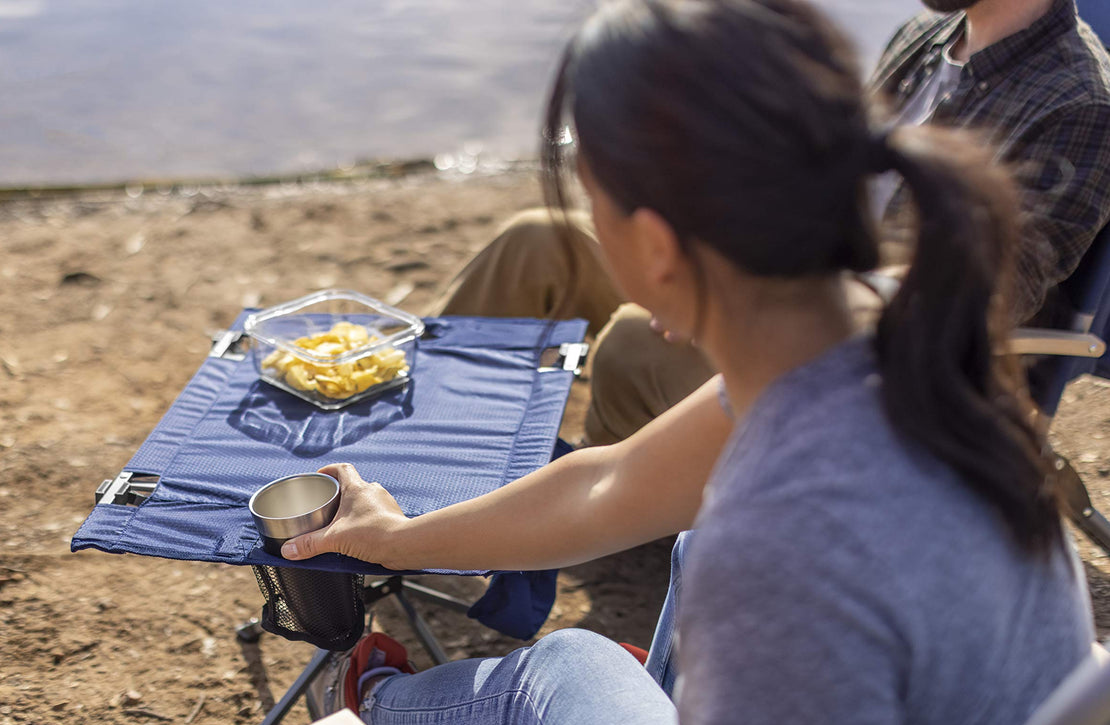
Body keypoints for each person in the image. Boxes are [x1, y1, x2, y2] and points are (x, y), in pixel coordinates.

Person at [281, 0, 1096, 725]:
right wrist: (397, 538)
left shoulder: (776, 539)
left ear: (659, 244)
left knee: (565, 671)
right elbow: (610, 484)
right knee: (594, 651)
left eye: (590, 191)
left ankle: (368, 710)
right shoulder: (887, 331)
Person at [432, 0, 1110, 447]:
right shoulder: (927, 35)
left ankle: (612, 514)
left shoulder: (1082, 103)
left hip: (864, 375)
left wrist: (737, 303)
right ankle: (418, 444)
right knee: (537, 242)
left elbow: (987, 290)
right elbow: (825, 181)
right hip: (783, 283)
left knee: (634, 344)